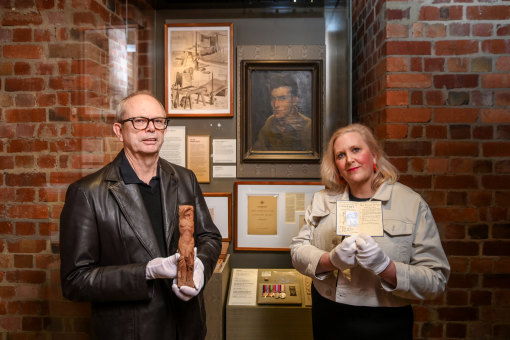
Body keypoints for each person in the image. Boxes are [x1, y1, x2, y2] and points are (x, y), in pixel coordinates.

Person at [59, 91, 222, 340]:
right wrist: (146, 271)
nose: (151, 129)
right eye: (139, 121)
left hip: (187, 327)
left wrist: (200, 266)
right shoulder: (87, 193)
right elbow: (75, 280)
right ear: (118, 130)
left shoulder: (184, 178)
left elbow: (208, 237)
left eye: (158, 121)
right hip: (132, 331)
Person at [290, 123, 450, 339]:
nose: (349, 160)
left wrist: (386, 267)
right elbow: (298, 250)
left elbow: (435, 280)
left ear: (374, 155)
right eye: (340, 155)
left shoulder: (411, 203)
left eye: (356, 149)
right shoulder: (322, 200)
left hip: (385, 323)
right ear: (336, 166)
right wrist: (331, 260)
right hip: (329, 316)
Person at [253, 73, 312, 151]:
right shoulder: (270, 122)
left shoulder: (308, 126)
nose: (276, 104)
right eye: (273, 98)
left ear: (294, 100)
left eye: (282, 98)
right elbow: (257, 152)